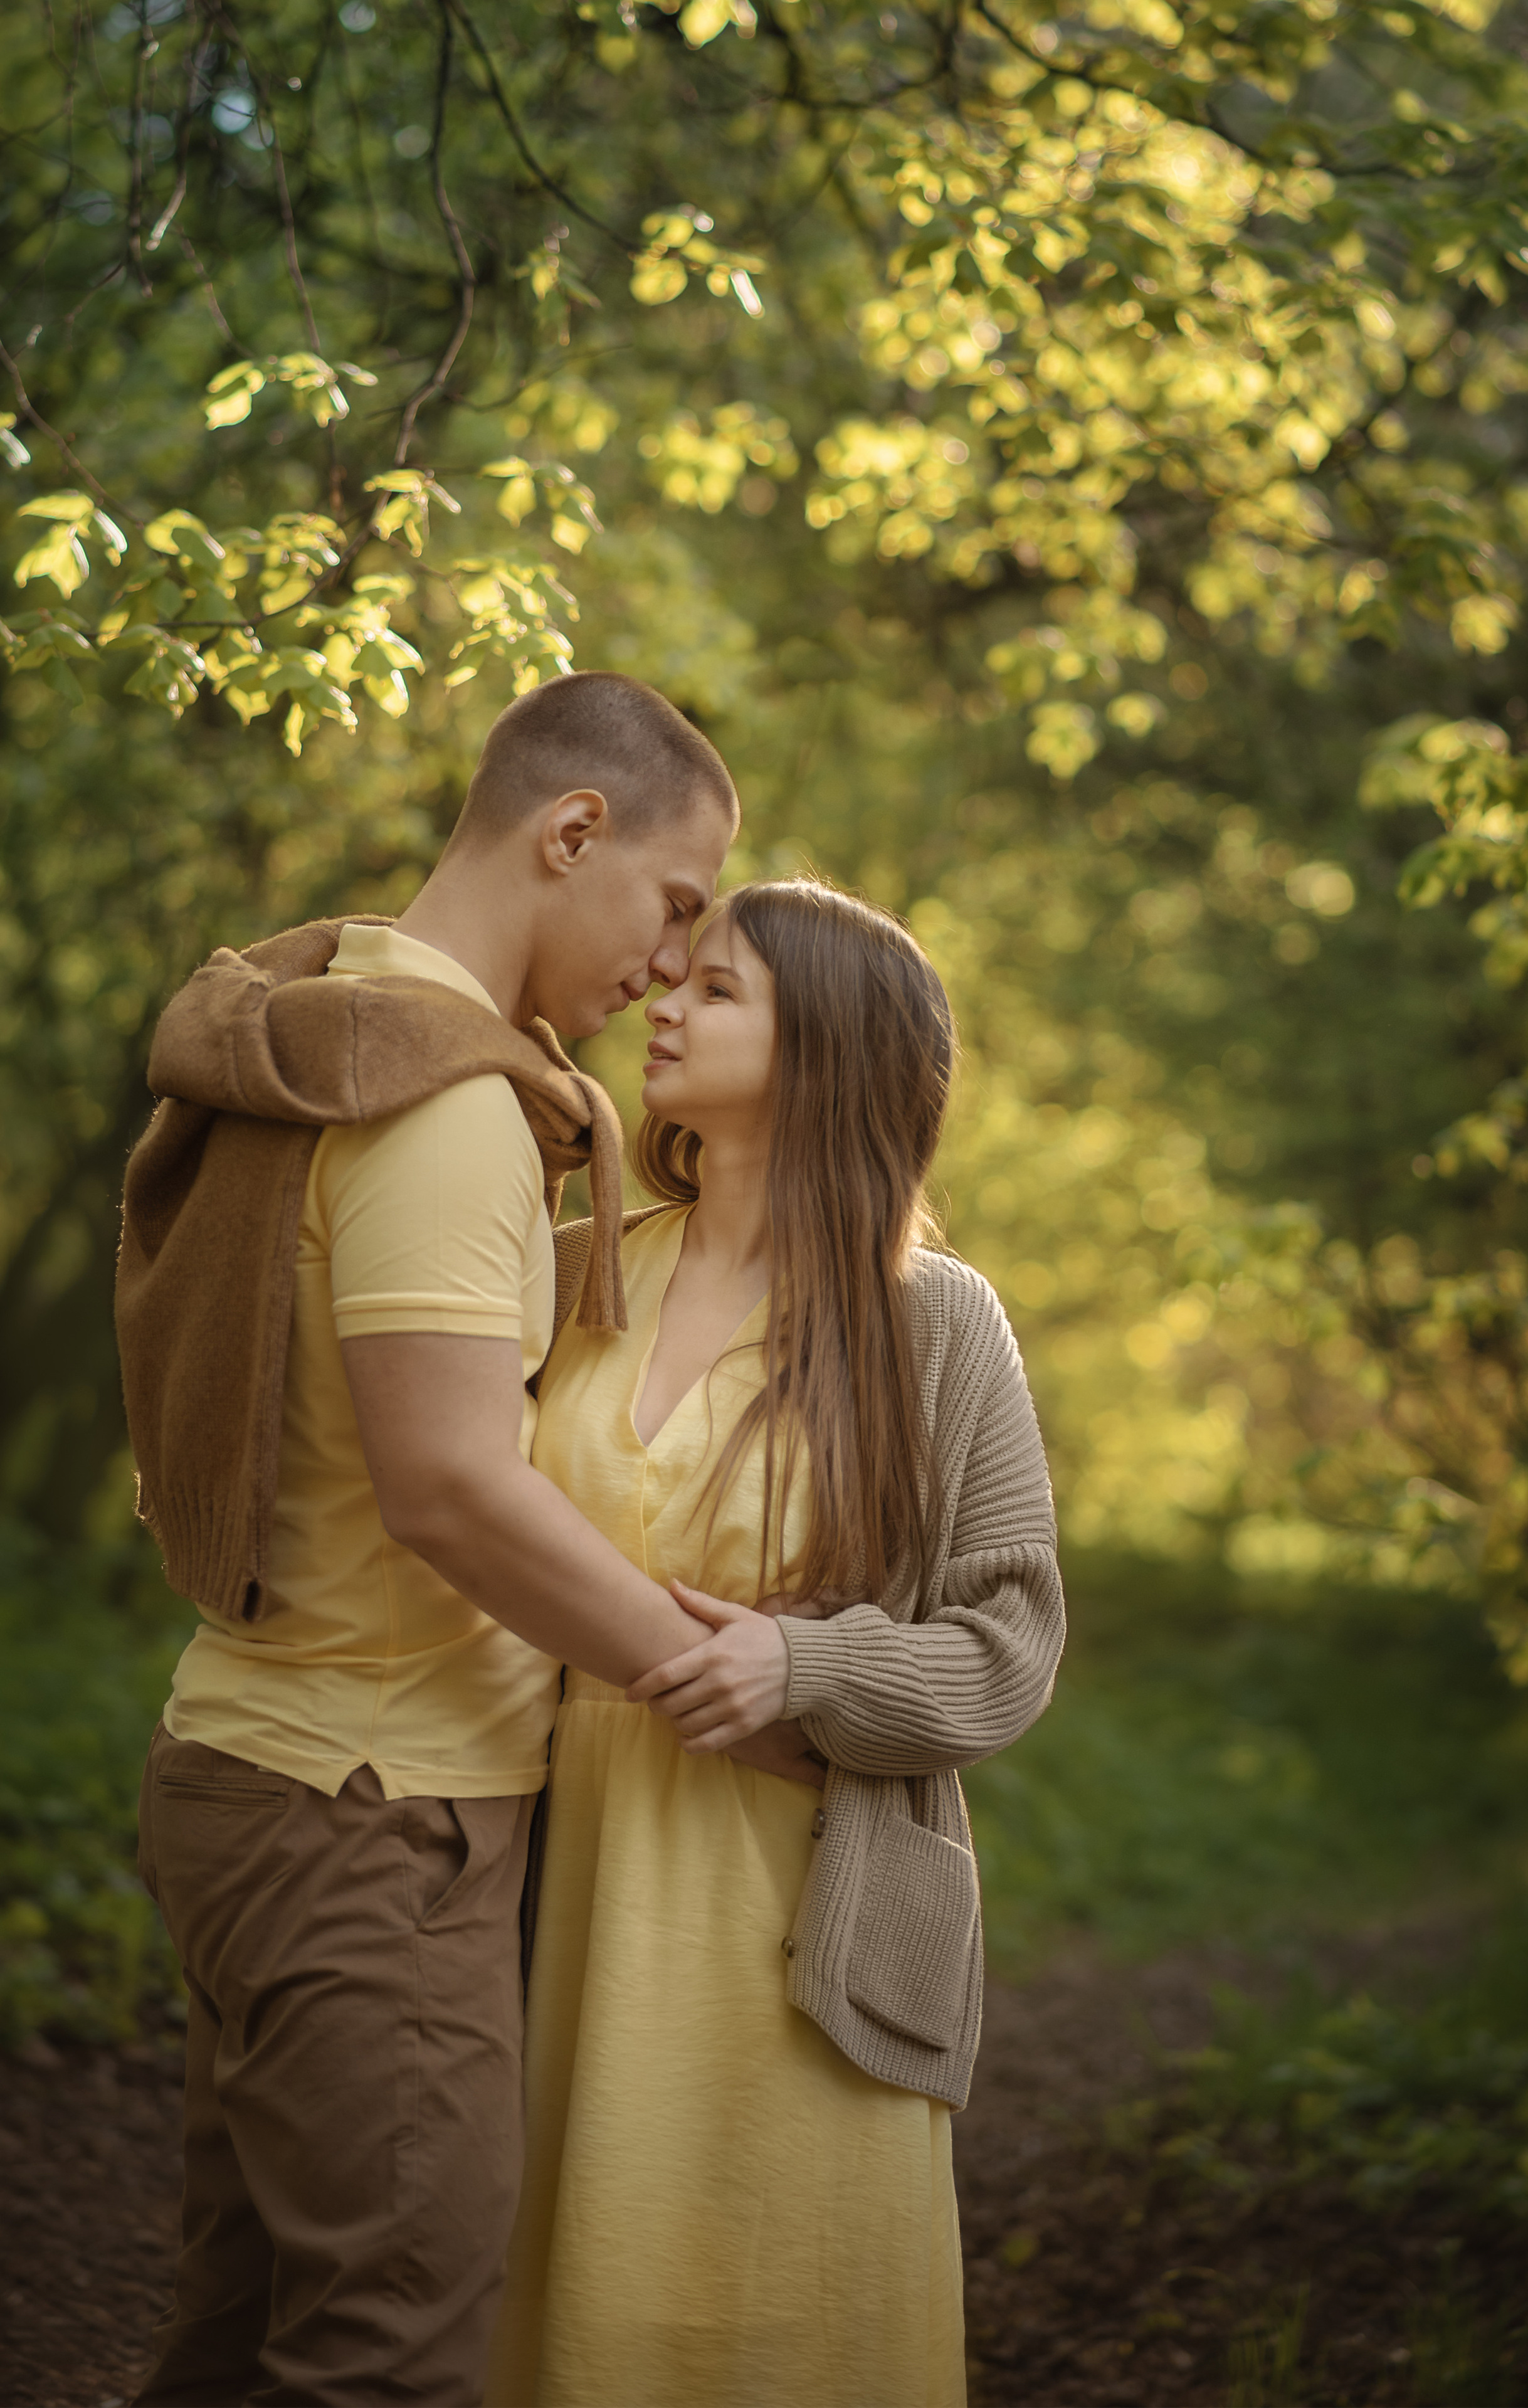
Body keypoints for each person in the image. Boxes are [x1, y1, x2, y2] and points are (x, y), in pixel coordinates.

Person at [117, 673, 815, 2408]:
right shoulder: (438, 1110)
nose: (669, 962)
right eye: (671, 905)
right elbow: (446, 1485)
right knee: (393, 2350)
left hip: (260, 1755)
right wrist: (708, 1671)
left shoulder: (335, 1023)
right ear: (571, 831)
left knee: (243, 2331)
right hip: (367, 1807)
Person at [486, 879, 1066, 2408]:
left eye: (718, 989)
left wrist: (805, 1670)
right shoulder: (564, 1268)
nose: (663, 1003)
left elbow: (1007, 1650)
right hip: (558, 1903)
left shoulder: (935, 1322)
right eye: (675, 978)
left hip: (800, 1932)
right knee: (562, 2329)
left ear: (827, 1050)